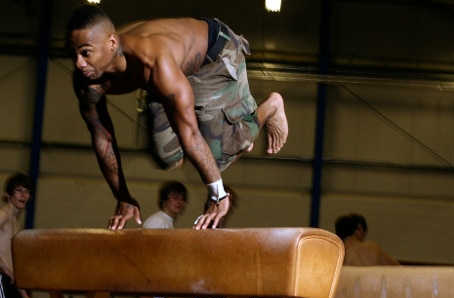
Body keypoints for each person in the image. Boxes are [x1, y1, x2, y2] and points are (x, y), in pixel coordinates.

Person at [65, 5, 288, 230]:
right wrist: (123, 197)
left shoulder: (154, 63)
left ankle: (265, 111)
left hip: (214, 56)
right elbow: (103, 139)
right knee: (167, 158)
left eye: (85, 53)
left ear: (112, 43)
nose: (78, 63)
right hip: (171, 74)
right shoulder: (86, 83)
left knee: (214, 161)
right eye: (73, 53)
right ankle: (228, 135)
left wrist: (218, 195)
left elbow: (190, 137)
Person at [137, 181, 188, 298]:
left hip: (159, 288)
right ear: (164, 199)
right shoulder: (157, 221)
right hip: (153, 289)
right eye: (175, 197)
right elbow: (143, 254)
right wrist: (146, 291)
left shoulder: (167, 222)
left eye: (182, 199)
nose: (180, 202)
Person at [0, 173, 36, 298]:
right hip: (1, 279)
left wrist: (23, 294)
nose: (23, 195)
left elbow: (14, 261)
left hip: (10, 283)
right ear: (8, 194)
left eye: (27, 191)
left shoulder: (17, 224)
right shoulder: (3, 216)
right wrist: (3, 267)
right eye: (19, 190)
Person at [334, 213, 399, 266]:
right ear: (356, 230)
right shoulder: (373, 247)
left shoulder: (340, 255)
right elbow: (398, 268)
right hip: (375, 280)